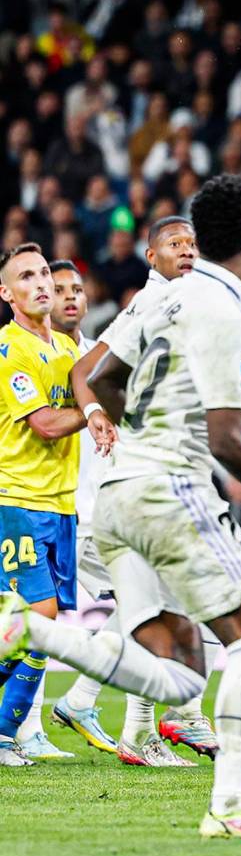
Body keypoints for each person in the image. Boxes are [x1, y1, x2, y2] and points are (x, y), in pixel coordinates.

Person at [0, 175, 241, 838]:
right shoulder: (229, 312)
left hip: (117, 493)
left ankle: (34, 633)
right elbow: (225, 436)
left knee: (178, 677)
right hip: (169, 490)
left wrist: (124, 431)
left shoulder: (157, 302)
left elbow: (96, 376)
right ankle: (231, 808)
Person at [47, 256, 207, 767]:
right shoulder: (64, 357)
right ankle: (149, 722)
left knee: (146, 608)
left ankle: (91, 706)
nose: (70, 297)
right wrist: (98, 411)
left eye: (77, 288)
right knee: (151, 608)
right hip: (86, 505)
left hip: (102, 499)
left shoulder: (77, 350)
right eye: (58, 288)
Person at [0, 242, 112, 766]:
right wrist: (93, 414)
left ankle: (7, 735)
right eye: (27, 276)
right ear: (7, 294)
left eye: (45, 272)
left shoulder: (66, 353)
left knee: (40, 630)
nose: (41, 283)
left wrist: (105, 409)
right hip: (16, 499)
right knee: (39, 620)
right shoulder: (11, 348)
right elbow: (45, 424)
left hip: (60, 505)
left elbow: (96, 389)